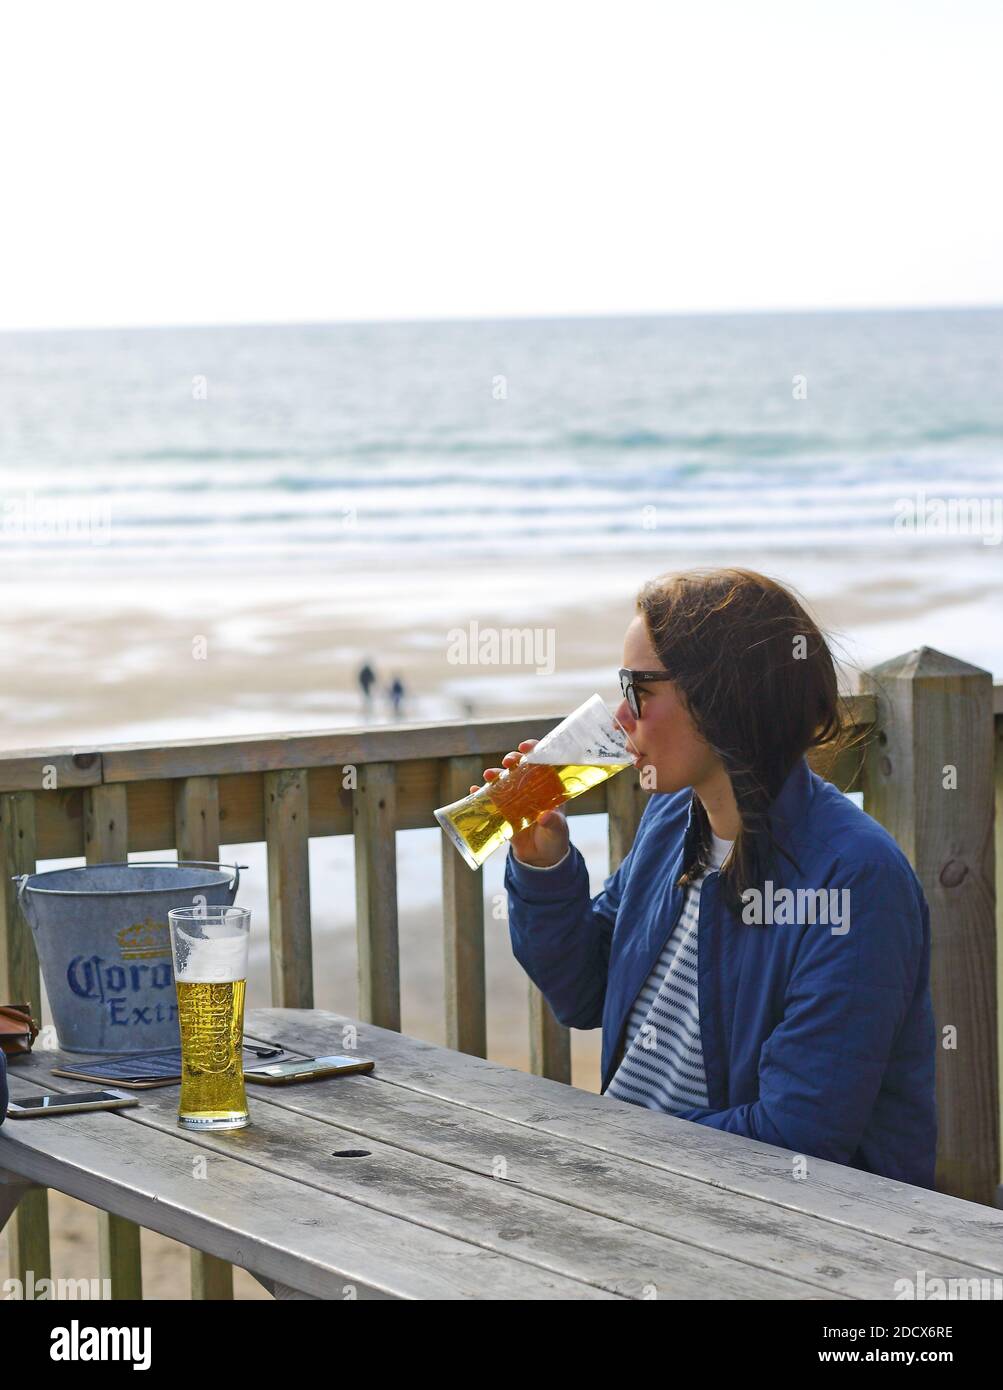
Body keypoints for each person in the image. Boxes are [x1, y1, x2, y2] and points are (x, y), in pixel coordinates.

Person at [477, 567, 937, 1188]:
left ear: (724, 698)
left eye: (638, 689)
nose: (620, 716)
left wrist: (614, 1145)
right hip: (649, 1185)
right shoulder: (674, 817)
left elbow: (799, 1138)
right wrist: (544, 863)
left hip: (788, 1234)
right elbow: (586, 991)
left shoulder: (853, 880)